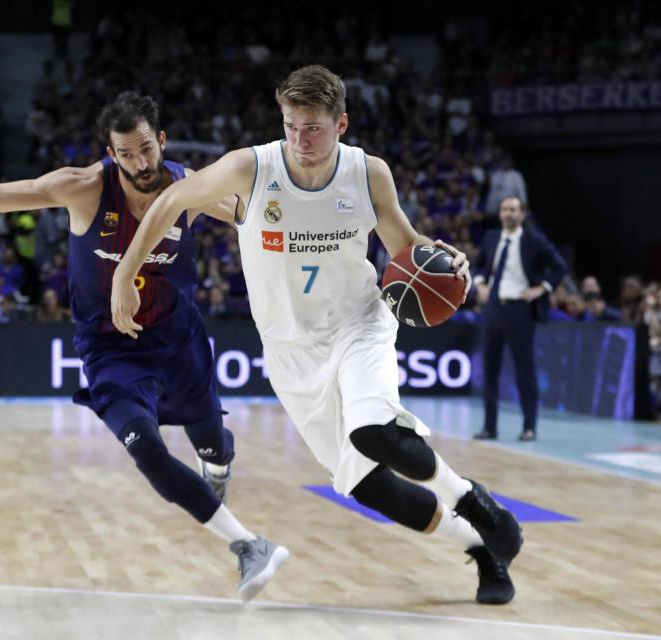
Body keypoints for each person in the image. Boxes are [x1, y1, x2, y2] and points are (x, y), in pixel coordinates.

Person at [0, 92, 288, 602]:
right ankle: (248, 546)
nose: (141, 163)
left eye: (147, 148)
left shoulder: (188, 189)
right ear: (111, 153)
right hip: (109, 349)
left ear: (161, 141)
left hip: (177, 337)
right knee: (145, 449)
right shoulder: (84, 189)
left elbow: (256, 218)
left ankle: (217, 461)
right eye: (127, 154)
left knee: (212, 441)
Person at [112, 65, 522, 605]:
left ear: (341, 124)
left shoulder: (367, 173)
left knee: (373, 430)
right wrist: (125, 272)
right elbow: (170, 200)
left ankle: (470, 499)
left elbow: (403, 244)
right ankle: (480, 547)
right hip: (290, 351)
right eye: (291, 126)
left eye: (313, 128)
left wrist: (440, 258)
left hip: (358, 323)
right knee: (367, 486)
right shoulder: (251, 168)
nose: (300, 140)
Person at [473, 197, 567, 442]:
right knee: (489, 370)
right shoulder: (492, 237)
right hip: (493, 307)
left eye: (513, 210)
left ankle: (529, 427)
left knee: (524, 370)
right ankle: (489, 426)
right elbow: (479, 265)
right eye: (504, 209)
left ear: (522, 214)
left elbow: (560, 268)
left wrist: (541, 288)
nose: (508, 214)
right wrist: (480, 283)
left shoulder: (534, 241)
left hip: (520, 309)